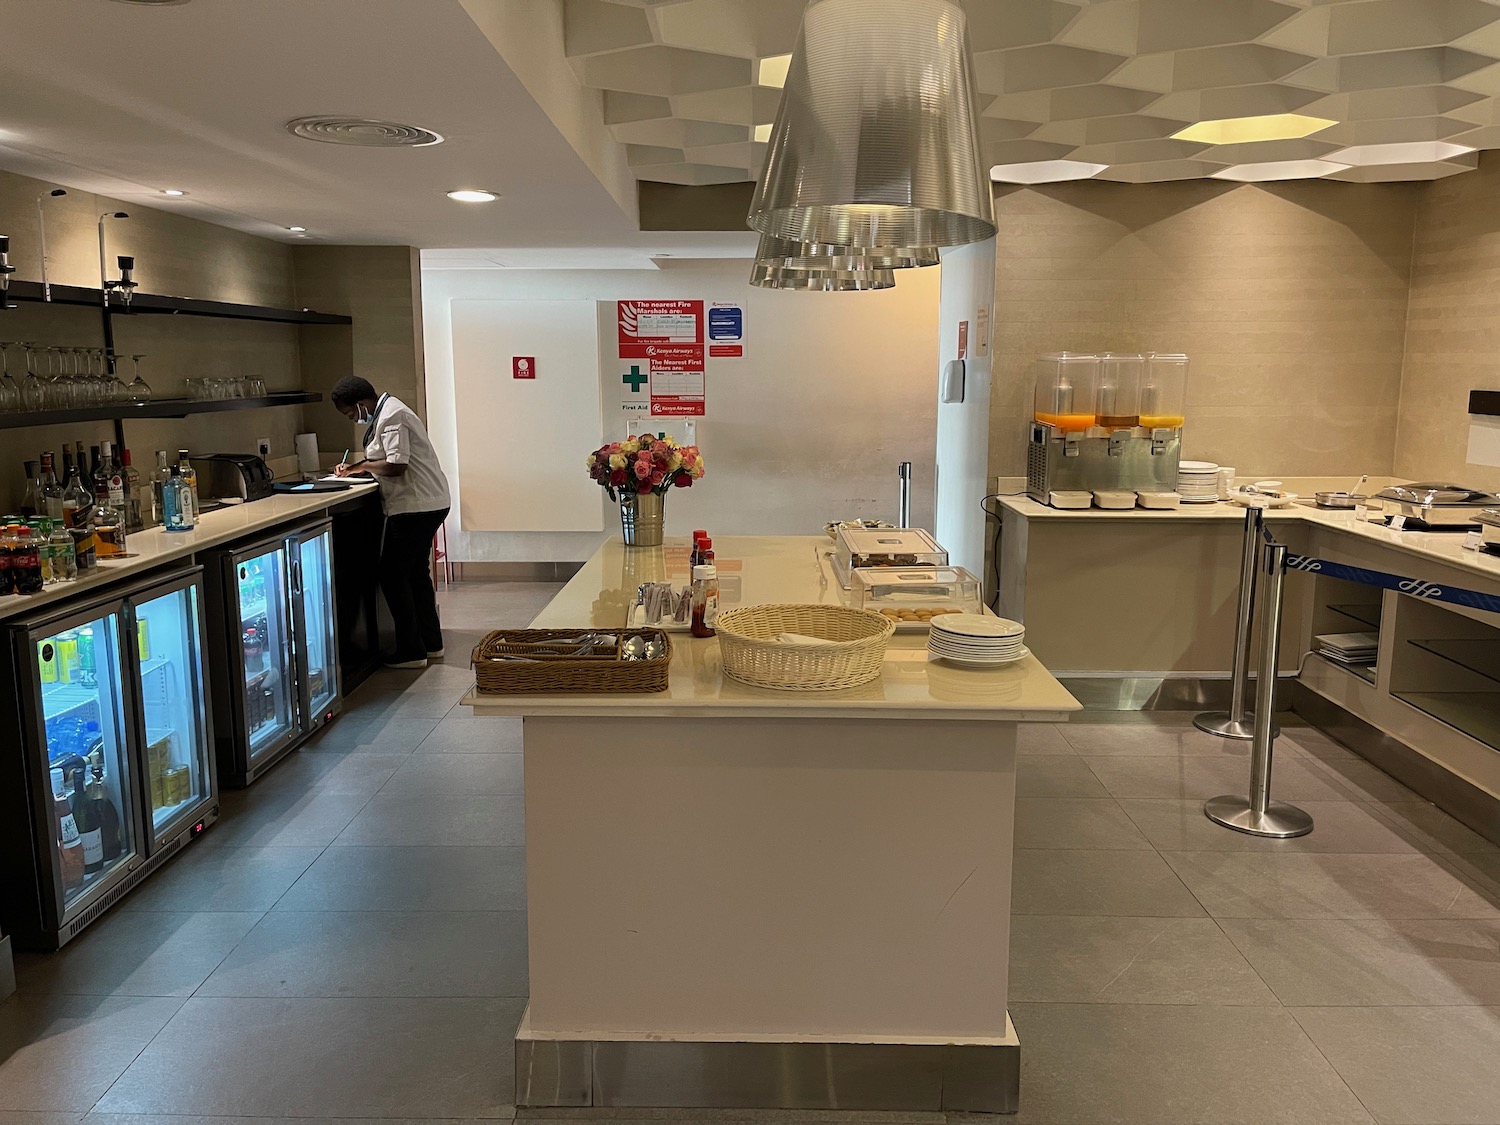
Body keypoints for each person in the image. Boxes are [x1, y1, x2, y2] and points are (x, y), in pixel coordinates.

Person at [331, 375, 452, 669]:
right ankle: (430, 643)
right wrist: (360, 469)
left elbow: (397, 465)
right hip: (424, 503)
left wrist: (359, 466)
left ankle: (411, 651)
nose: (353, 419)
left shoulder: (392, 414)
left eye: (351, 414)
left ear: (361, 403)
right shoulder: (388, 411)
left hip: (417, 506)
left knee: (392, 575)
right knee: (414, 575)